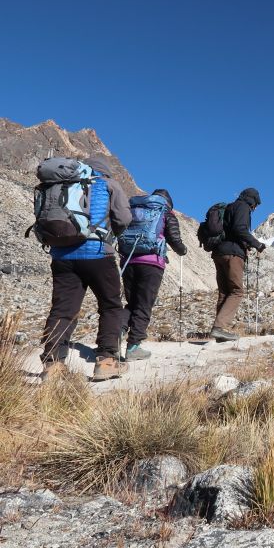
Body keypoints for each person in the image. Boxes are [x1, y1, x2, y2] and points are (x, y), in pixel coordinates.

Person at [39, 154, 132, 381]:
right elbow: (123, 218)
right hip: (97, 253)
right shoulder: (108, 184)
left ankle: (53, 364)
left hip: (62, 256)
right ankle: (107, 361)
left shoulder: (60, 184)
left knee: (62, 310)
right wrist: (112, 234)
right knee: (110, 306)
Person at [120, 189, 188, 360]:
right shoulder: (165, 212)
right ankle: (133, 347)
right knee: (144, 305)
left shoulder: (134, 210)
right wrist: (182, 250)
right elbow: (174, 239)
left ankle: (114, 337)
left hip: (128, 260)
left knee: (131, 303)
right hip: (151, 263)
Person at [210, 187, 266, 342]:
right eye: (256, 204)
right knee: (237, 291)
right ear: (253, 200)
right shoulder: (243, 207)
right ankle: (219, 327)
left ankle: (220, 332)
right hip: (233, 254)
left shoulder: (230, 207)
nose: (255, 208)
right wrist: (256, 244)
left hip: (219, 253)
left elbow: (233, 230)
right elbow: (239, 228)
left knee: (224, 292)